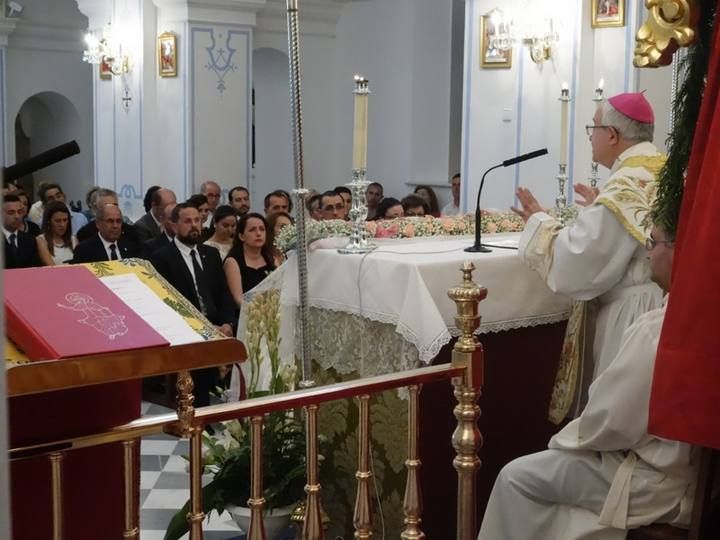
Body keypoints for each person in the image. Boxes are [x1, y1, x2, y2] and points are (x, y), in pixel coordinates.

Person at [478, 223, 698, 540]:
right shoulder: (699, 315)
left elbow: (609, 423)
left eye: (654, 242)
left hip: (655, 482)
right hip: (687, 476)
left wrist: (566, 441)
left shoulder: (659, 330)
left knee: (516, 478)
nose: (647, 251)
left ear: (680, 251)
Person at [512, 92, 666, 422]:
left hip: (632, 319)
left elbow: (577, 262)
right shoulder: (663, 169)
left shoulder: (625, 185)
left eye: (593, 127)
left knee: (620, 421)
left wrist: (539, 222)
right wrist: (600, 207)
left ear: (612, 134)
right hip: (661, 308)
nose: (591, 136)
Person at [150, 203, 236, 407]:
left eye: (197, 220)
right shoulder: (162, 258)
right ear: (174, 225)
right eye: (187, 221)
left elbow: (223, 292)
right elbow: (169, 301)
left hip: (215, 323)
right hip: (186, 328)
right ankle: (195, 423)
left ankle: (210, 418)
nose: (194, 225)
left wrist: (228, 322)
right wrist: (203, 327)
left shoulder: (210, 254)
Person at [223, 212, 276, 308]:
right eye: (252, 230)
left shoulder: (271, 259)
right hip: (247, 315)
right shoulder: (232, 262)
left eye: (262, 229)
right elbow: (238, 299)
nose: (258, 233)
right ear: (241, 236)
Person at [73, 204, 145, 263]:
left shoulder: (131, 246)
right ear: (98, 224)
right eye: (110, 221)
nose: (115, 226)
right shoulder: (84, 250)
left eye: (118, 221)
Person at [3, 193, 41, 268]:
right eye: (11, 212)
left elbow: (35, 269)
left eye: (19, 212)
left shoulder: (30, 240)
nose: (17, 216)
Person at [36, 201, 77, 265]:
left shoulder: (73, 239)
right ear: (48, 221)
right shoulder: (41, 240)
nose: (62, 225)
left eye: (65, 220)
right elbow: (51, 267)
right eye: (58, 221)